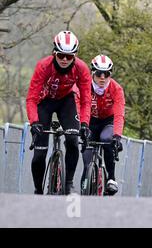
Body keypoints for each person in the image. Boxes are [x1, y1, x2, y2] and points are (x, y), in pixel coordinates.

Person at [26, 31, 91, 195]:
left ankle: (68, 183)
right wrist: (34, 123)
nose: (64, 59)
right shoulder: (43, 66)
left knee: (72, 140)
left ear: (75, 55)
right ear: (54, 52)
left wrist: (84, 124)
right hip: (45, 103)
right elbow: (32, 98)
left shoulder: (81, 68)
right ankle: (38, 189)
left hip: (66, 102)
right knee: (40, 154)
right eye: (61, 55)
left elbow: (85, 100)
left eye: (69, 57)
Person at [80, 55, 125, 196]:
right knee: (87, 162)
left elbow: (119, 114)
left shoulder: (116, 89)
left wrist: (117, 136)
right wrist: (82, 126)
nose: (103, 78)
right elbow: (79, 106)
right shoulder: (85, 86)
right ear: (93, 72)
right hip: (90, 121)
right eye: (99, 73)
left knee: (107, 139)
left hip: (108, 121)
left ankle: (111, 178)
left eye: (107, 74)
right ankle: (86, 183)